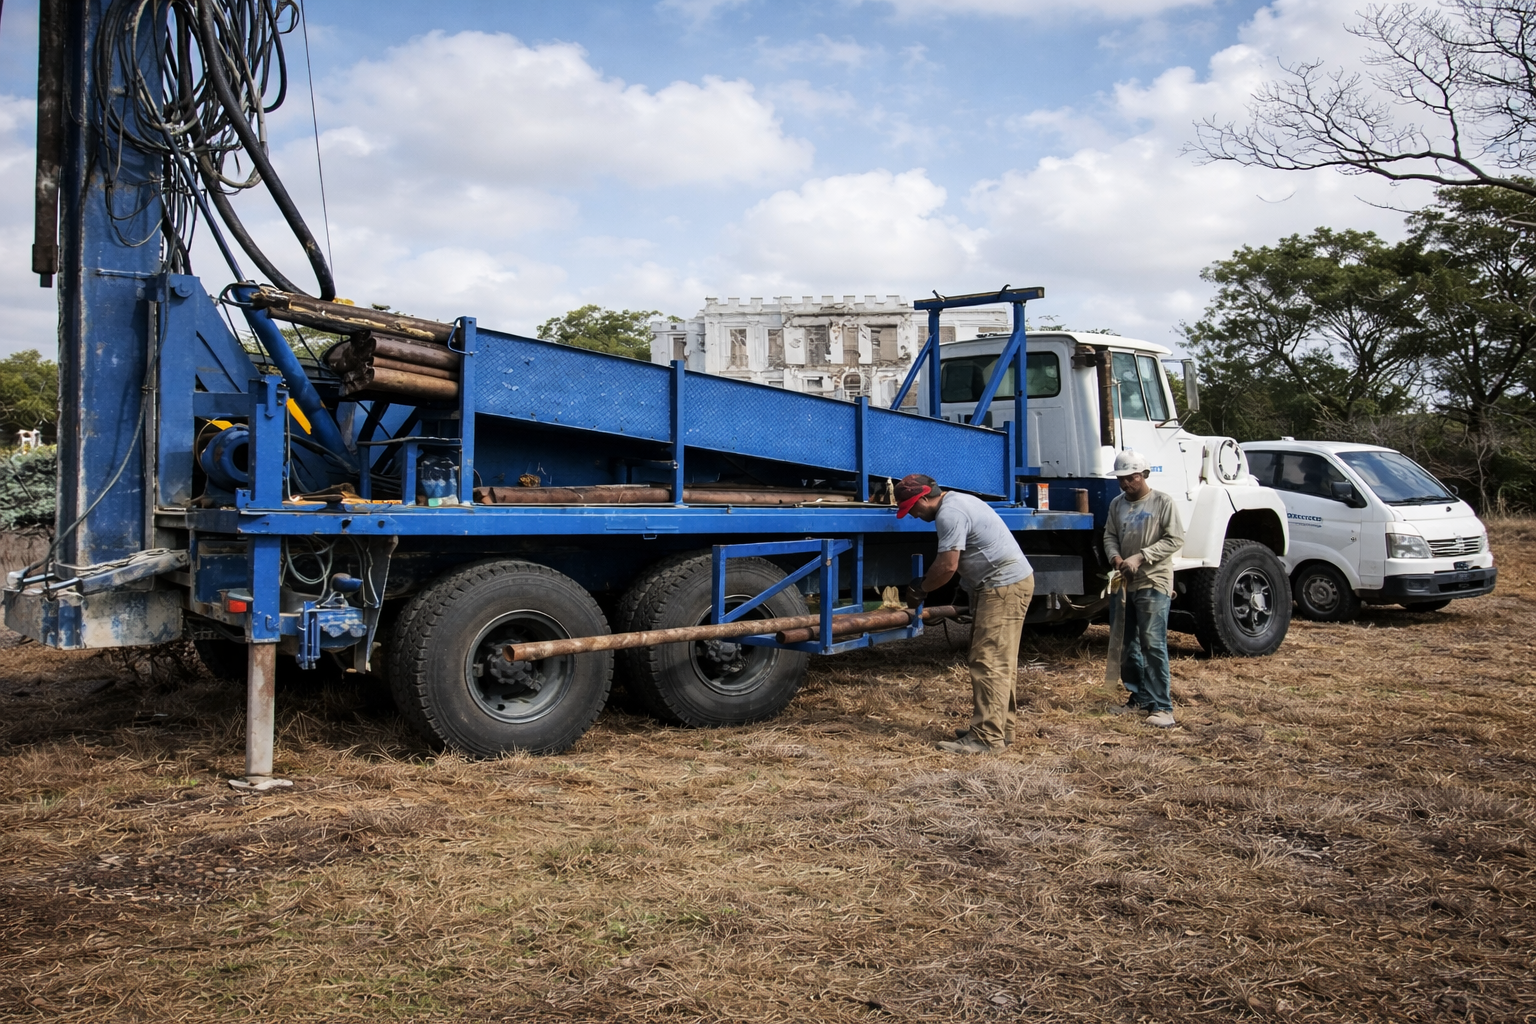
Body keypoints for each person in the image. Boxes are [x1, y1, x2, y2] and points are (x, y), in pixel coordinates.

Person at [895, 473, 1035, 754]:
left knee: (988, 660)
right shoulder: (959, 500)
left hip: (1002, 585)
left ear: (923, 498)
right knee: (1000, 660)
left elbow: (947, 566)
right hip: (1006, 583)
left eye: (913, 508)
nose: (912, 515)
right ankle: (998, 729)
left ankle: (986, 738)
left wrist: (920, 588)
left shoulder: (950, 514)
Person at [1103, 451, 1186, 728]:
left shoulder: (1162, 502)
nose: (1126, 484)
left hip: (1154, 581)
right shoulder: (1117, 505)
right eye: (1121, 479)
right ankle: (1138, 697)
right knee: (1126, 643)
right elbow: (1110, 535)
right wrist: (1115, 558)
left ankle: (1162, 706)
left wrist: (1141, 556)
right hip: (1125, 583)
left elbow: (1174, 539)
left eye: (1132, 478)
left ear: (1144, 475)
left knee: (1152, 642)